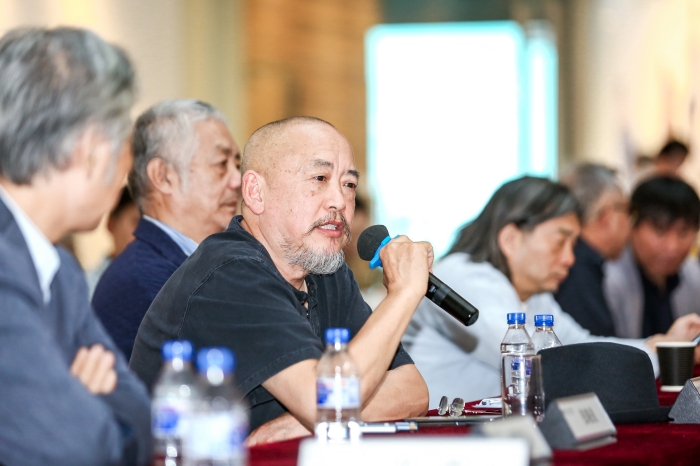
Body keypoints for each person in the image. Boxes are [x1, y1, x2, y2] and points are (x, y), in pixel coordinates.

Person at [129, 116, 430, 445]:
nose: (339, 201)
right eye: (319, 178)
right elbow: (326, 404)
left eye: (349, 185)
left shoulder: (325, 269)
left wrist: (299, 425)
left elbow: (412, 391)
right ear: (255, 192)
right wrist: (404, 293)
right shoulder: (231, 274)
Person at [402, 176, 700, 406]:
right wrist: (655, 352)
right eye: (560, 242)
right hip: (428, 442)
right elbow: (542, 366)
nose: (570, 258)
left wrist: (661, 344)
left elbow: (581, 345)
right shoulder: (462, 278)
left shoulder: (534, 293)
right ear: (510, 239)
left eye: (573, 245)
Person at [0, 27, 151, 464]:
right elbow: (75, 446)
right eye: (125, 142)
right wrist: (89, 404)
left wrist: (77, 406)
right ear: (92, 151)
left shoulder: (61, 270)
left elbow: (142, 419)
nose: (126, 167)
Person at [92, 99, 241, 360]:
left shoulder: (202, 263)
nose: (237, 180)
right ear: (163, 176)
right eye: (221, 164)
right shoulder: (148, 282)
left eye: (237, 165)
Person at [604, 176, 700, 338]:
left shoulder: (693, 276)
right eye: (660, 230)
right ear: (632, 224)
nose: (672, 247)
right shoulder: (609, 277)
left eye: (683, 232)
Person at [554, 164, 630, 336]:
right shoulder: (576, 268)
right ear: (607, 216)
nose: (629, 223)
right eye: (627, 210)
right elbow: (594, 346)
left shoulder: (585, 263)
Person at [85, 186, 140, 297]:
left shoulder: (169, 286)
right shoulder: (84, 289)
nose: (148, 234)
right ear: (111, 225)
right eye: (137, 222)